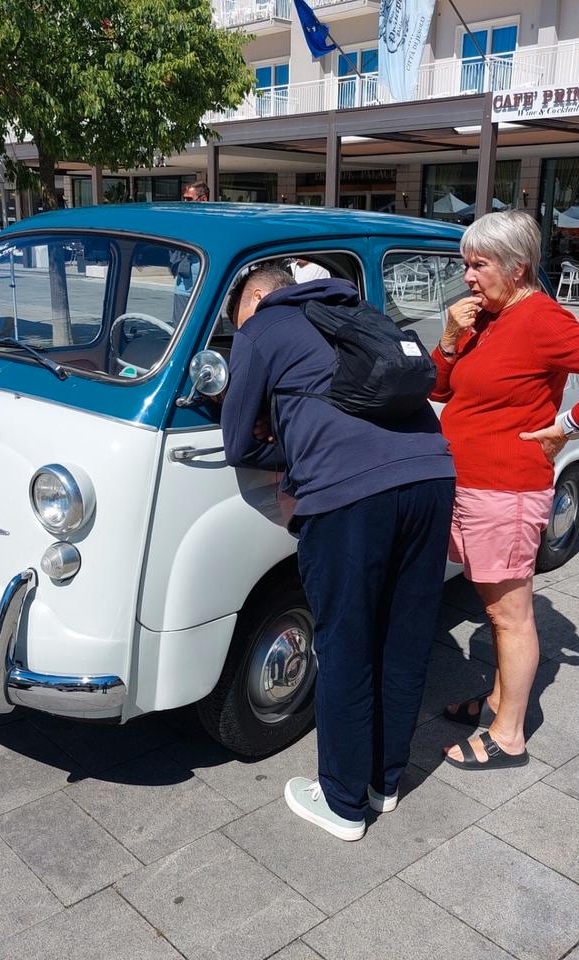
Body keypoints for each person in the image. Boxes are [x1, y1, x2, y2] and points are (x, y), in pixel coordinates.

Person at [222, 264, 456, 842]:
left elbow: (237, 441)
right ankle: (384, 782)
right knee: (403, 637)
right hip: (432, 476)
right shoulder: (359, 312)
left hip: (350, 494)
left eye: (237, 317)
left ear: (258, 295)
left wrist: (289, 448)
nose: (238, 330)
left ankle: (343, 802)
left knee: (345, 643)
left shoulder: (264, 326)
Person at [435, 211, 579, 770]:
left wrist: (567, 426)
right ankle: (499, 700)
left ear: (517, 267)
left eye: (479, 265)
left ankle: (508, 734)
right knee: (494, 608)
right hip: (472, 485)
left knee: (510, 616)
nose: (468, 276)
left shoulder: (542, 318)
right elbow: (440, 389)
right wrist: (450, 339)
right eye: (465, 264)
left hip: (504, 490)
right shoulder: (485, 318)